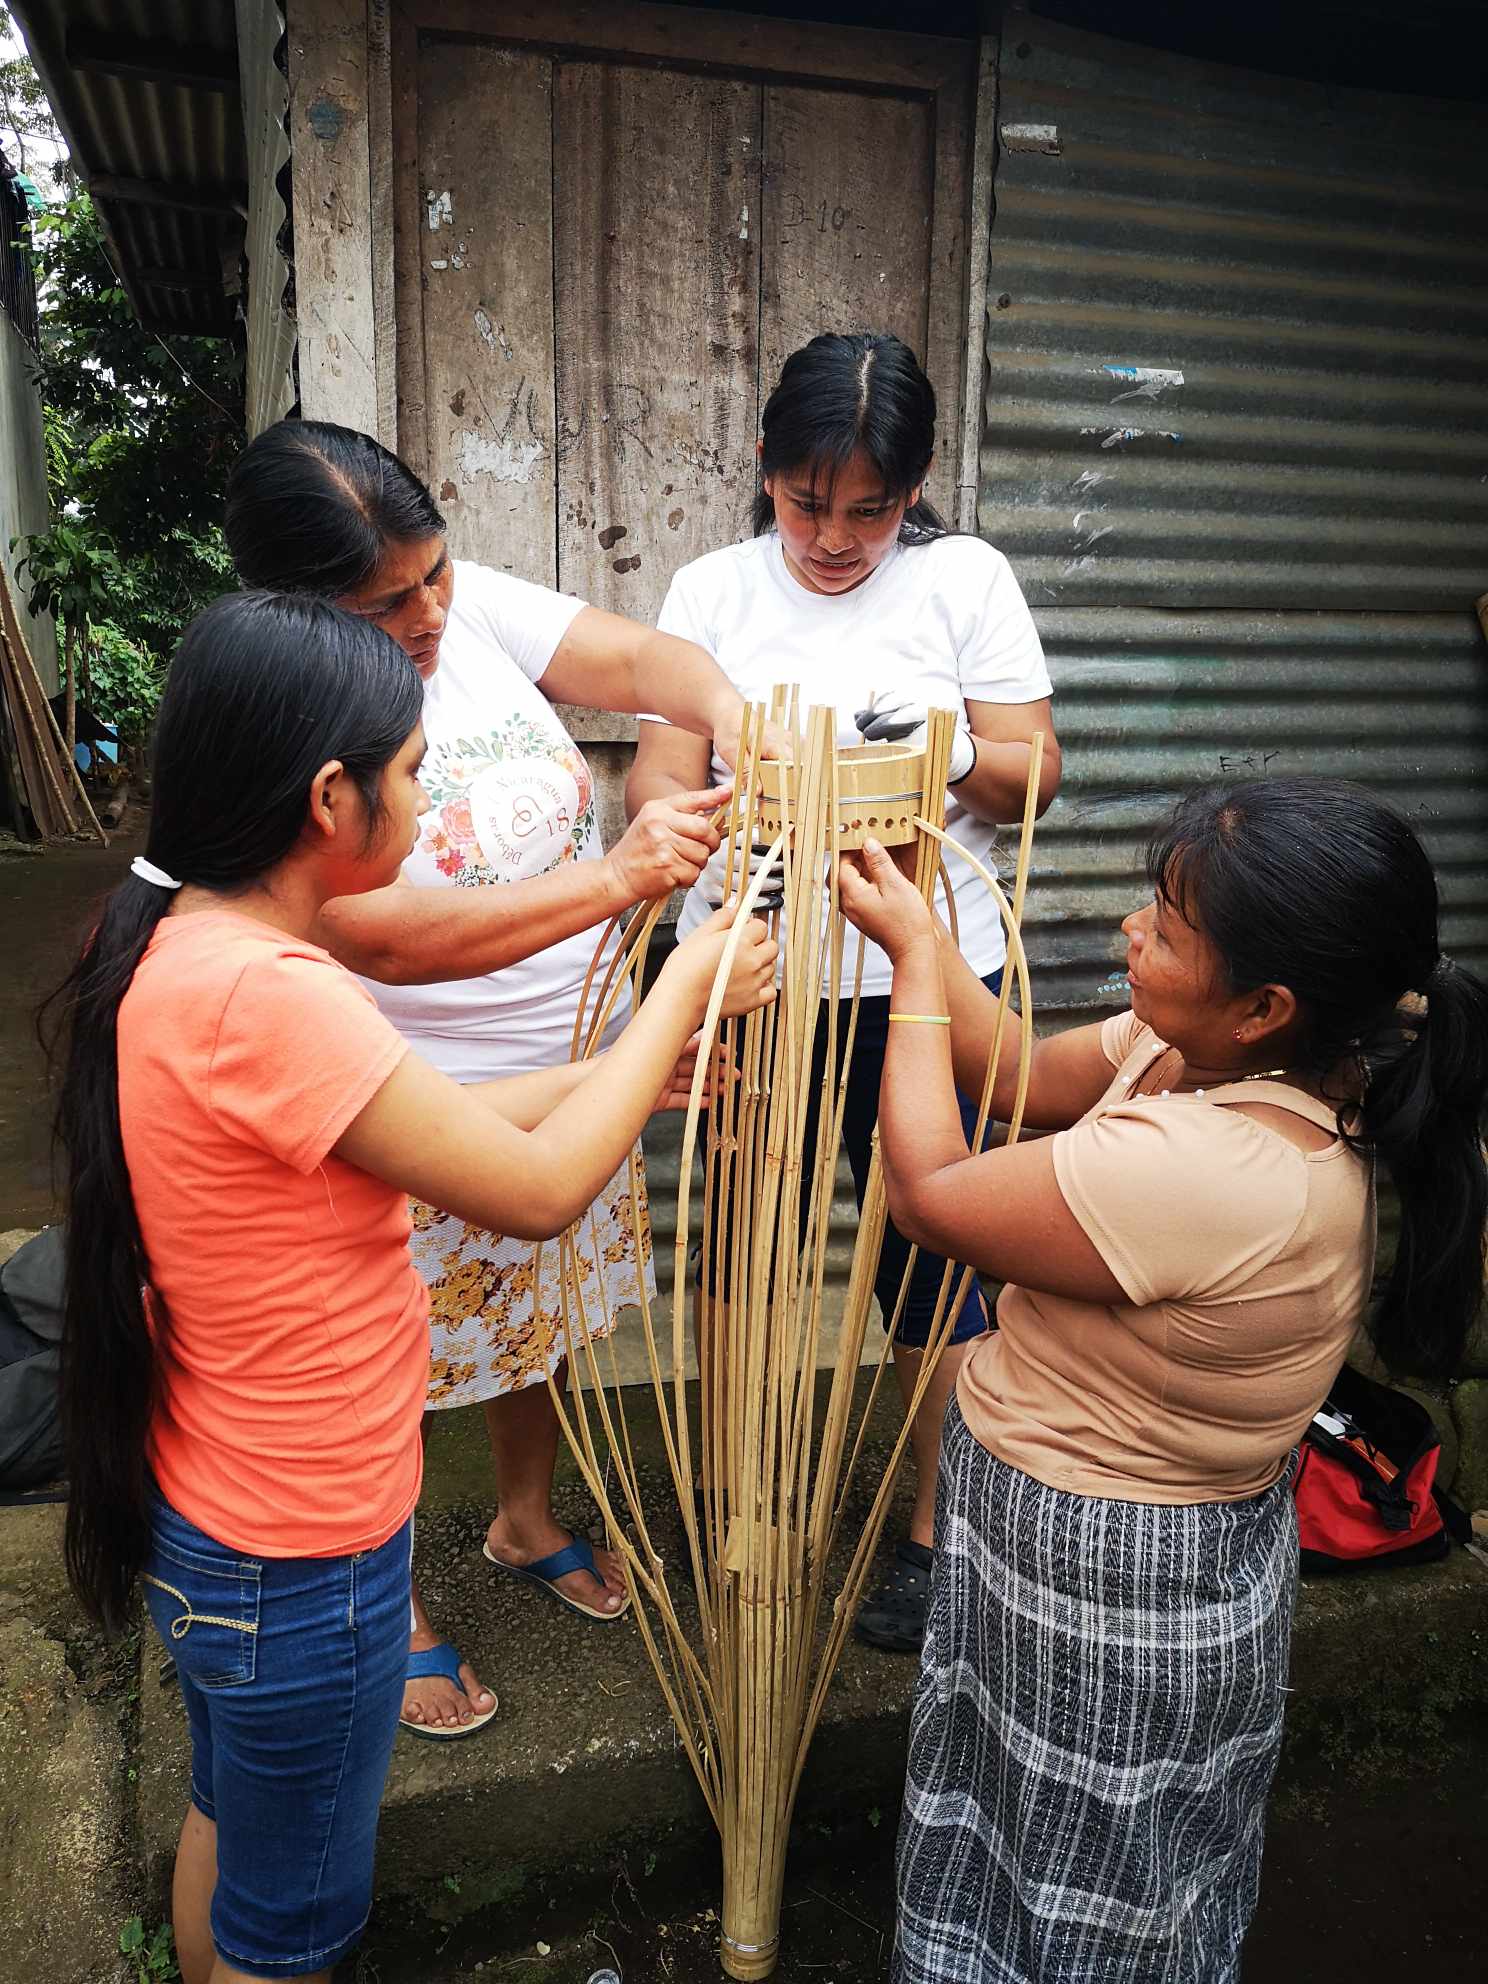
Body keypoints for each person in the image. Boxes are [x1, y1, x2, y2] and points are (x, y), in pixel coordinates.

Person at [52, 590, 776, 1984]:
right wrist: (680, 987)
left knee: (232, 1821)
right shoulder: (278, 990)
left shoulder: (193, 948)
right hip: (302, 1559)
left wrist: (620, 1073)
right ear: (331, 801)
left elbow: (422, 1115)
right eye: (405, 768)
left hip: (227, 1524)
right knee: (290, 1933)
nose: (426, 781)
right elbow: (541, 1190)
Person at [834, 778, 1488, 1983]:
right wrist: (925, 936)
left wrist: (913, 976)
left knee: (1092, 1882)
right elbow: (1018, 1069)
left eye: (1169, 928)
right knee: (1023, 1823)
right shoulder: (1196, 1054)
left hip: (1110, 1578)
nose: (1132, 930)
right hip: (1058, 1540)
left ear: (1264, 1005)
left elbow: (929, 1196)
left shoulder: (1222, 1167)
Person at [224, 420, 782, 1736]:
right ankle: (391, 1596)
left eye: (435, 578)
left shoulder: (465, 613)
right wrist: (622, 877)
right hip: (408, 1087)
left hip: (578, 1050)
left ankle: (525, 1521)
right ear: (302, 611)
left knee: (542, 1317)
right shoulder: (286, 705)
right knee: (389, 1359)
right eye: (386, 601)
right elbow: (374, 937)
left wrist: (740, 719)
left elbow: (653, 659)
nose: (424, 616)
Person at [627, 331, 1060, 1651]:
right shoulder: (710, 590)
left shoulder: (964, 581)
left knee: (934, 1256)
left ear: (914, 485)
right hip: (753, 967)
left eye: (868, 510)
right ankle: (735, 1503)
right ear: (765, 473)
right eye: (808, 504)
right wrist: (689, 822)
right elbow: (654, 775)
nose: (833, 539)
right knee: (741, 1244)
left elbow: (1033, 772)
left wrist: (926, 760)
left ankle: (936, 1534)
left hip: (919, 979)